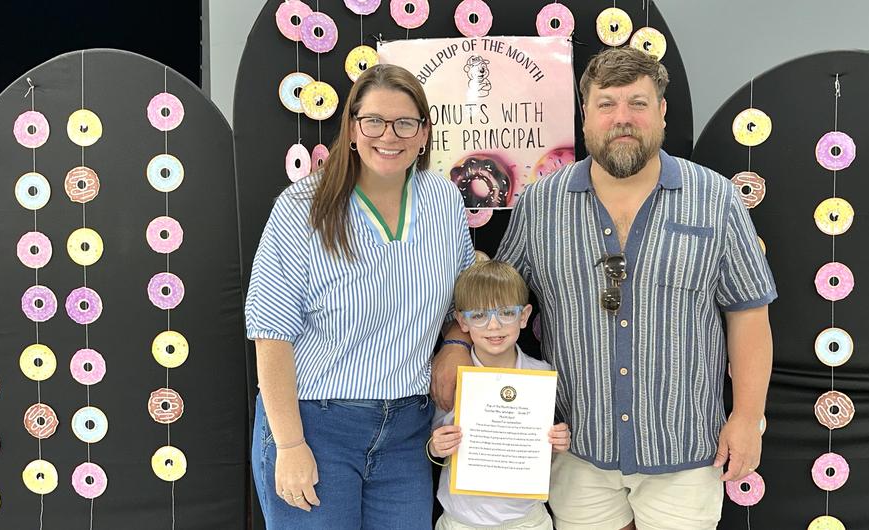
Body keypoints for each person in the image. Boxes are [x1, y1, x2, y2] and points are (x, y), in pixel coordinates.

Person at [433, 46, 777, 530]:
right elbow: (493, 297)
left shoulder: (715, 198)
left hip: (683, 446)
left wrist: (746, 418)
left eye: (637, 103)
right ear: (585, 115)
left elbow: (748, 315)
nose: (622, 118)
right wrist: (452, 343)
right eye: (607, 104)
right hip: (576, 447)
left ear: (661, 112)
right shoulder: (541, 204)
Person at [245, 64, 474, 529]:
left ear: (425, 133)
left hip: (407, 432)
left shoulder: (443, 201)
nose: (389, 136)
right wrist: (289, 446)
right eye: (373, 121)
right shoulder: (301, 207)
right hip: (316, 426)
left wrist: (455, 343)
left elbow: (465, 297)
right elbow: (270, 334)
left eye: (405, 122)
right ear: (351, 127)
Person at [428, 260, 571, 530]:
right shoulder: (451, 377)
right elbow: (434, 443)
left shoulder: (541, 375)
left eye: (506, 312)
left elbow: (542, 453)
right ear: (462, 321)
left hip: (527, 521)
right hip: (462, 521)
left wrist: (557, 443)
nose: (494, 326)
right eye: (479, 315)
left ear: (525, 316)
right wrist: (437, 446)